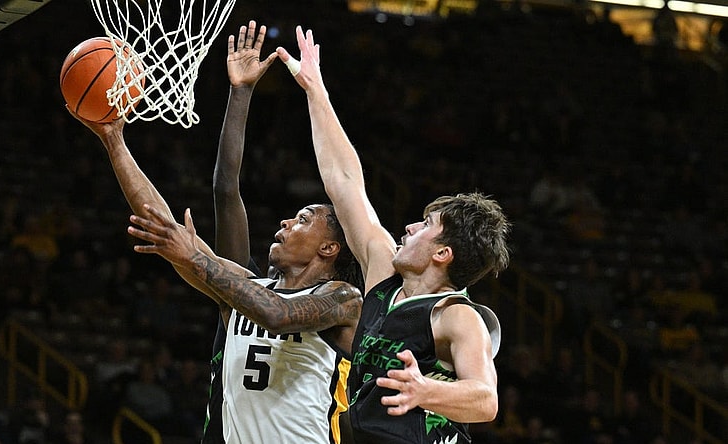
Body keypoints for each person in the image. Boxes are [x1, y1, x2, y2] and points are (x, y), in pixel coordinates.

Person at [68, 20, 364, 444]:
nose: (284, 223)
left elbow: (277, 315)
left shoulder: (342, 300)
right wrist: (114, 140)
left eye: (302, 219)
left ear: (330, 247)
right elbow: (181, 214)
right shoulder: (243, 288)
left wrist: (196, 258)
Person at [277, 26, 510, 443]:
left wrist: (426, 390)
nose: (409, 227)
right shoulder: (384, 272)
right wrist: (316, 91)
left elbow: (485, 399)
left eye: (426, 225)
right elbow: (345, 181)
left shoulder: (456, 316)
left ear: (443, 253)